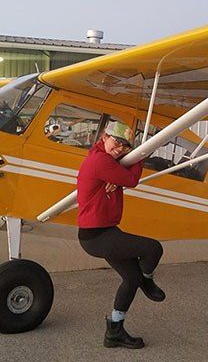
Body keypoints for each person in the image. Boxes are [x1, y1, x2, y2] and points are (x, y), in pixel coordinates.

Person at [77, 121, 165, 349]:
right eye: (116, 142)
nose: (120, 149)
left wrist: (116, 178)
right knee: (153, 249)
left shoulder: (103, 158)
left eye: (126, 147)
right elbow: (132, 180)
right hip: (96, 236)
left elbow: (122, 176)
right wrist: (139, 157)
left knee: (130, 278)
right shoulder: (100, 161)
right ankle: (148, 280)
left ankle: (114, 331)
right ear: (105, 136)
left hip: (105, 232)